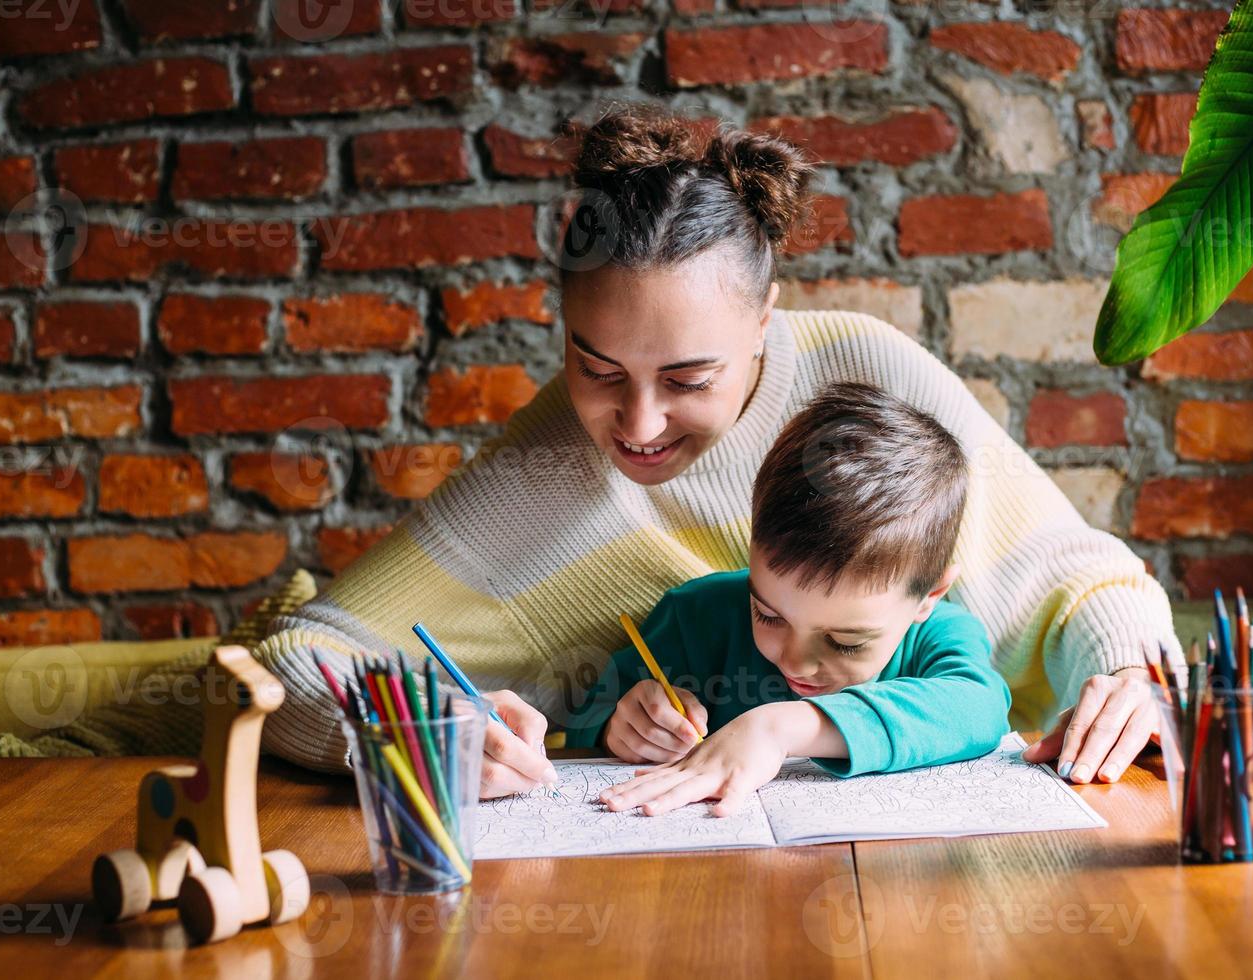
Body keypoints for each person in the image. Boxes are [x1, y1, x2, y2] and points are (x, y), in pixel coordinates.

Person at [256, 102, 1180, 797]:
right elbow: (298, 659)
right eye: (596, 366)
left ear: (764, 321)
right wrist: (429, 733)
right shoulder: (543, 464)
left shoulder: (865, 368)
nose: (639, 425)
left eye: (690, 379)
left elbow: (1069, 574)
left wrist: (1130, 670)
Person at [566, 383, 1011, 816]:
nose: (797, 663)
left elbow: (979, 708)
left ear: (929, 595)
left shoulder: (941, 635)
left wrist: (779, 728)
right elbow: (589, 718)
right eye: (768, 615)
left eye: (845, 642)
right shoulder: (695, 617)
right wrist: (618, 729)